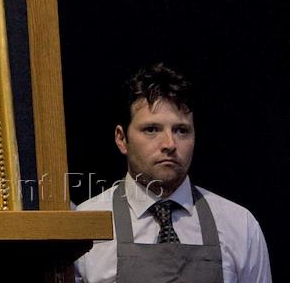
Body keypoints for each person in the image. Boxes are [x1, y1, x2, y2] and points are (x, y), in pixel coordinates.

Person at [74, 63, 271, 283]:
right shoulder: (85, 225)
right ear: (121, 139)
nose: (169, 144)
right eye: (151, 129)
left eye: (181, 130)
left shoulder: (238, 225)